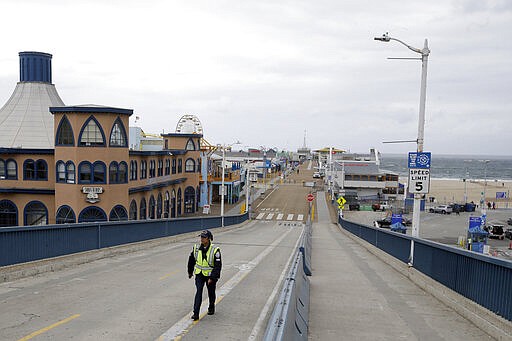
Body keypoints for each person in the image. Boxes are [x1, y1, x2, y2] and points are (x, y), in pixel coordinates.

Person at [188, 230, 222, 321]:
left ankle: (211, 307)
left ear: (209, 238)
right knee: (198, 291)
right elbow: (191, 260)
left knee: (211, 292)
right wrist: (190, 272)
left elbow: (218, 266)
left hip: (210, 275)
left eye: (204, 237)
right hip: (199, 274)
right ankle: (196, 313)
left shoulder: (215, 250)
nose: (202, 239)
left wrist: (213, 278)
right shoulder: (196, 248)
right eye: (201, 237)